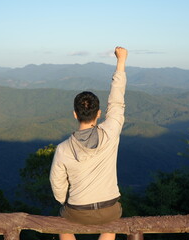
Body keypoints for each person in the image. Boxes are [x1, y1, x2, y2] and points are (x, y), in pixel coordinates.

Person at [50, 46, 128, 240]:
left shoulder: (63, 149)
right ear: (99, 114)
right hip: (110, 207)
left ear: (75, 114)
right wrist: (121, 62)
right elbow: (117, 102)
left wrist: (64, 201)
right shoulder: (110, 132)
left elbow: (57, 184)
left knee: (62, 225)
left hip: (77, 210)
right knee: (111, 224)